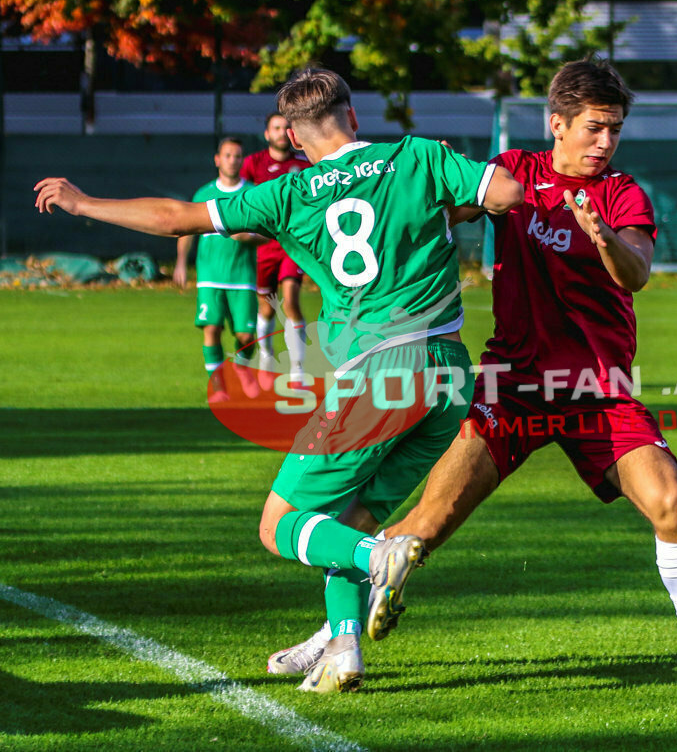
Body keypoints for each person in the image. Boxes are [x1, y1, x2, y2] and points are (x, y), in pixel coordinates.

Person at [34, 66, 524, 693]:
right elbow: (505, 194)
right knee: (346, 519)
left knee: (280, 525)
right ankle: (342, 647)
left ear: (293, 137)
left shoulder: (288, 192)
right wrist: (452, 203)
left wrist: (83, 203)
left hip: (377, 374)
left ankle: (379, 558)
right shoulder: (418, 155)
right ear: (353, 116)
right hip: (448, 376)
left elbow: (179, 218)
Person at [277, 58, 677, 683]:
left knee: (670, 500)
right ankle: (332, 635)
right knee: (420, 530)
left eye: (615, 129)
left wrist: (603, 237)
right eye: (594, 128)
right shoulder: (516, 173)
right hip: (509, 388)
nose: (605, 142)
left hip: (597, 390)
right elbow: (437, 211)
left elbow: (637, 273)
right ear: (557, 123)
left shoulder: (622, 194)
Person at [173, 137, 262, 401]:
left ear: (242, 160)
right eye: (227, 155)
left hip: (242, 277)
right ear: (217, 160)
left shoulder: (252, 193)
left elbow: (269, 231)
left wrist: (250, 237)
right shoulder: (204, 194)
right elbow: (186, 230)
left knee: (245, 336)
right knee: (211, 329)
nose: (232, 161)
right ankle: (219, 387)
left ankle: (242, 367)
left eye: (237, 156)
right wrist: (181, 262)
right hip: (209, 277)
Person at [240, 111, 313, 384]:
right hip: (263, 246)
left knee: (291, 300)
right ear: (267, 134)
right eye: (276, 128)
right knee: (267, 307)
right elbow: (240, 197)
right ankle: (266, 355)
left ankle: (297, 369)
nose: (282, 132)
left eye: (286, 127)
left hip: (292, 245)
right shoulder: (253, 164)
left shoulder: (304, 164)